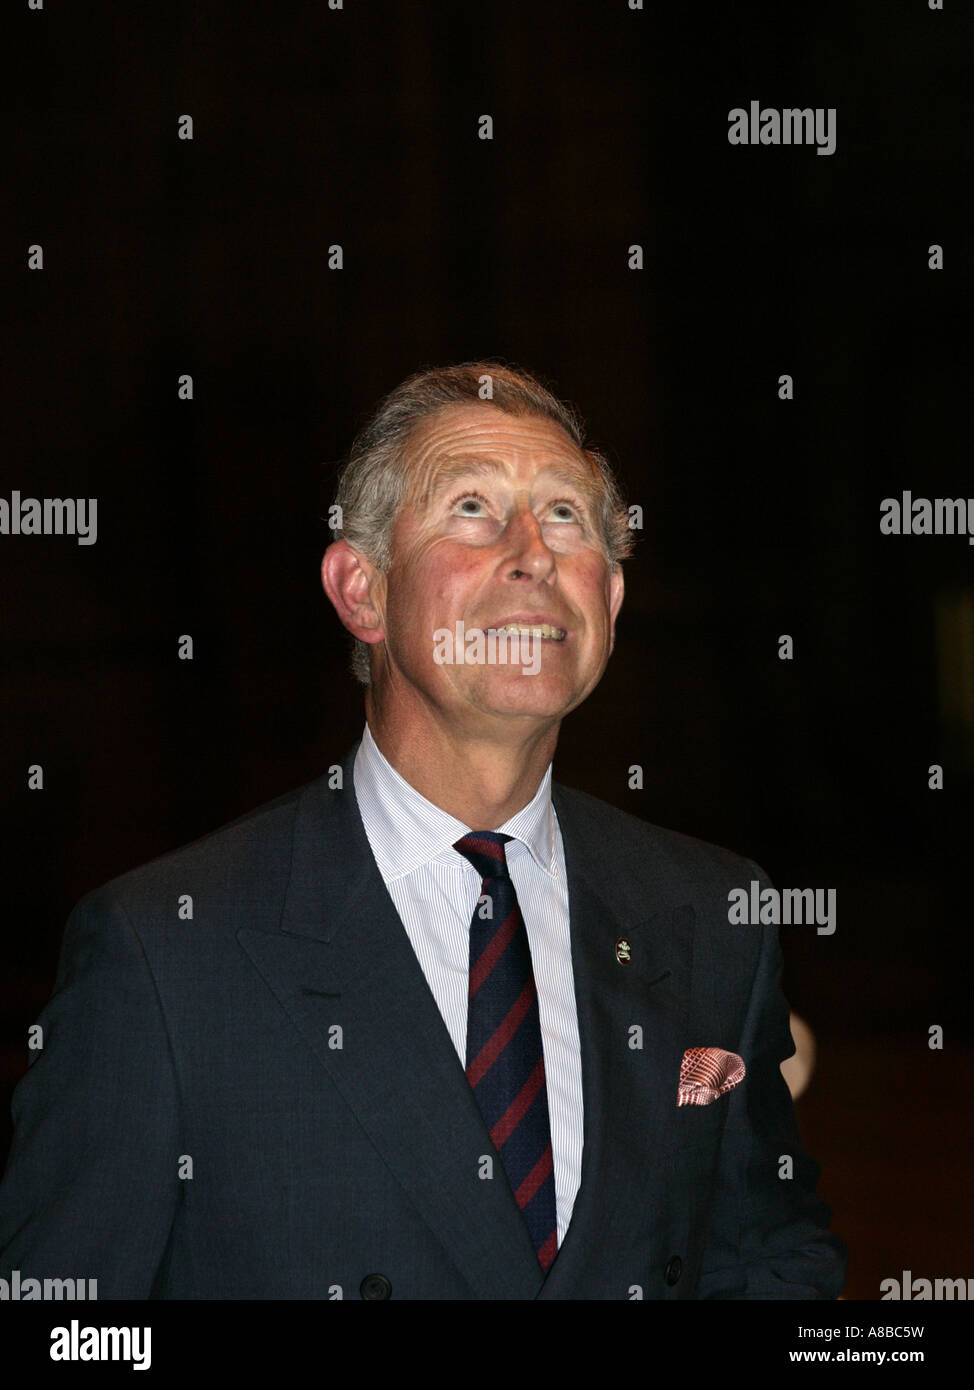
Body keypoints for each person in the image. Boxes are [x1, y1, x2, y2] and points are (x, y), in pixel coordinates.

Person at [0, 362, 847, 1299]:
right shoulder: (167, 951)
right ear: (361, 591)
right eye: (474, 508)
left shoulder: (713, 914)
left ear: (607, 600)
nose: (534, 552)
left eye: (566, 515)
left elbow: (771, 1261)